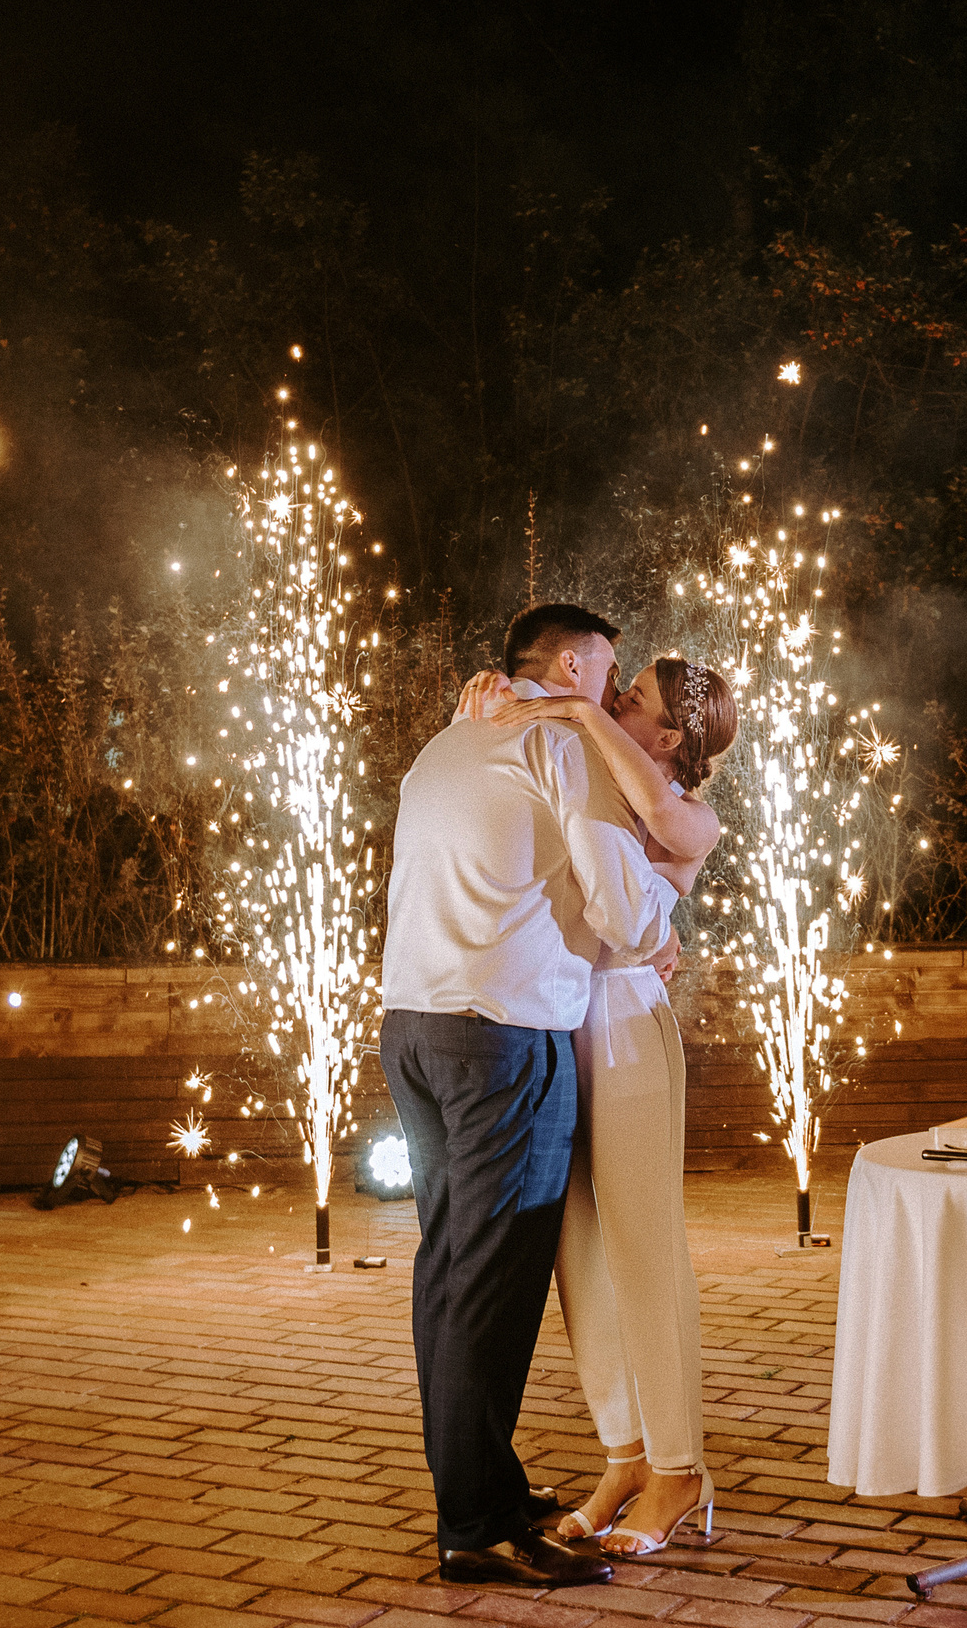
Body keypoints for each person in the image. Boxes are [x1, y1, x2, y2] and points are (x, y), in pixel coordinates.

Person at [378, 603, 681, 1588]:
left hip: (414, 1024)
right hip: (502, 1032)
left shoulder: (451, 737)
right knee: (495, 1281)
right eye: (608, 669)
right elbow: (625, 908)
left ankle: (487, 1489)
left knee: (450, 1268)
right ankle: (473, 1522)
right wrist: (661, 917)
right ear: (564, 664)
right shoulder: (557, 740)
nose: (616, 685)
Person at [455, 654, 739, 1558]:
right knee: (578, 1255)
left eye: (635, 700)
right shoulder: (588, 770)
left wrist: (577, 707)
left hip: (625, 1034)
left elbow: (639, 882)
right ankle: (625, 1453)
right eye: (617, 688)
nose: (615, 700)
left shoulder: (687, 815)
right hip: (559, 1027)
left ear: (669, 737)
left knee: (644, 1252)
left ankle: (681, 1466)